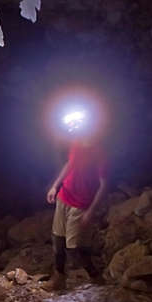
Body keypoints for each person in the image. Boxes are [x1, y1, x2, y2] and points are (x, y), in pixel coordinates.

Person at [42, 109, 108, 291]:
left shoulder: (99, 151)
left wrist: (91, 211)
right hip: (64, 197)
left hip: (80, 204)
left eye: (75, 126)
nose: (72, 130)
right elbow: (70, 164)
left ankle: (97, 277)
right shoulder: (76, 142)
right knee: (57, 240)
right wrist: (55, 186)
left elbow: (103, 184)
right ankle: (59, 278)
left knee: (73, 249)